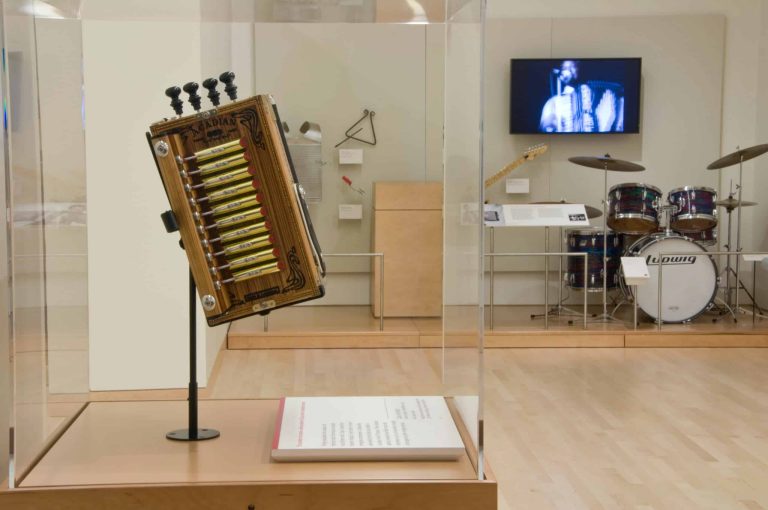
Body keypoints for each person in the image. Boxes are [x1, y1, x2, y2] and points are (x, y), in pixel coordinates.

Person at [539, 60, 624, 133]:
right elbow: (547, 125)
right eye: (565, 68)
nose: (569, 71)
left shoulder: (603, 91)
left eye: (572, 67)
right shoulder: (554, 102)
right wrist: (550, 125)